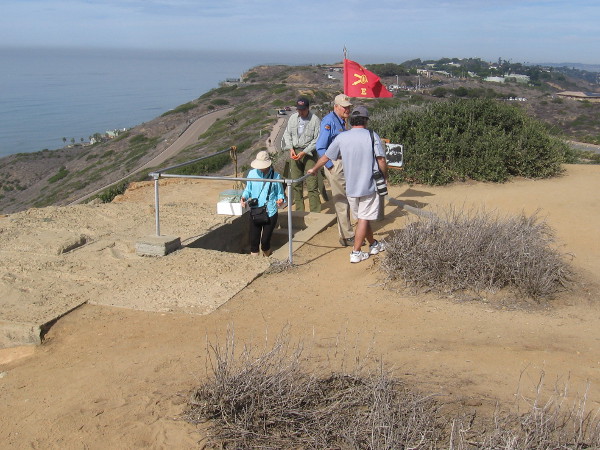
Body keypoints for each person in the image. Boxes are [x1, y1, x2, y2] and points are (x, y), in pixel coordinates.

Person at [308, 105, 388, 264]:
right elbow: (381, 160)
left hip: (351, 187)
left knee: (362, 218)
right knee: (364, 218)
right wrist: (385, 177)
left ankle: (373, 244)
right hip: (368, 185)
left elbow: (326, 157)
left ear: (351, 121)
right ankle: (356, 252)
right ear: (365, 120)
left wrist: (315, 168)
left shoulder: (342, 137)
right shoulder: (372, 136)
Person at [315, 94, 355, 247]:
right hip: (335, 164)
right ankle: (347, 236)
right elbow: (320, 147)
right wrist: (331, 166)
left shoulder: (342, 121)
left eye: (348, 106)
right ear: (336, 107)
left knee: (346, 198)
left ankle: (346, 232)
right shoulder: (329, 121)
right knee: (341, 200)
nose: (347, 109)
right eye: (344, 106)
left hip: (344, 163)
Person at [241, 151, 285, 257]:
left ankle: (267, 256)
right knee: (254, 242)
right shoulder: (251, 174)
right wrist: (243, 197)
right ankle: (255, 265)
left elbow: (280, 193)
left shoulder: (276, 176)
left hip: (270, 211)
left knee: (265, 242)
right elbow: (248, 190)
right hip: (255, 211)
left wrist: (281, 200)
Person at [282, 97, 321, 212]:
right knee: (296, 183)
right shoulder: (293, 118)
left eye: (303, 109)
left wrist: (304, 152)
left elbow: (317, 139)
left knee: (311, 184)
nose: (301, 112)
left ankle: (315, 211)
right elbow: (287, 134)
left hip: (309, 153)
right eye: (299, 109)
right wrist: (290, 148)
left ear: (308, 108)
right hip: (295, 152)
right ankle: (299, 211)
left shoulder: (315, 120)